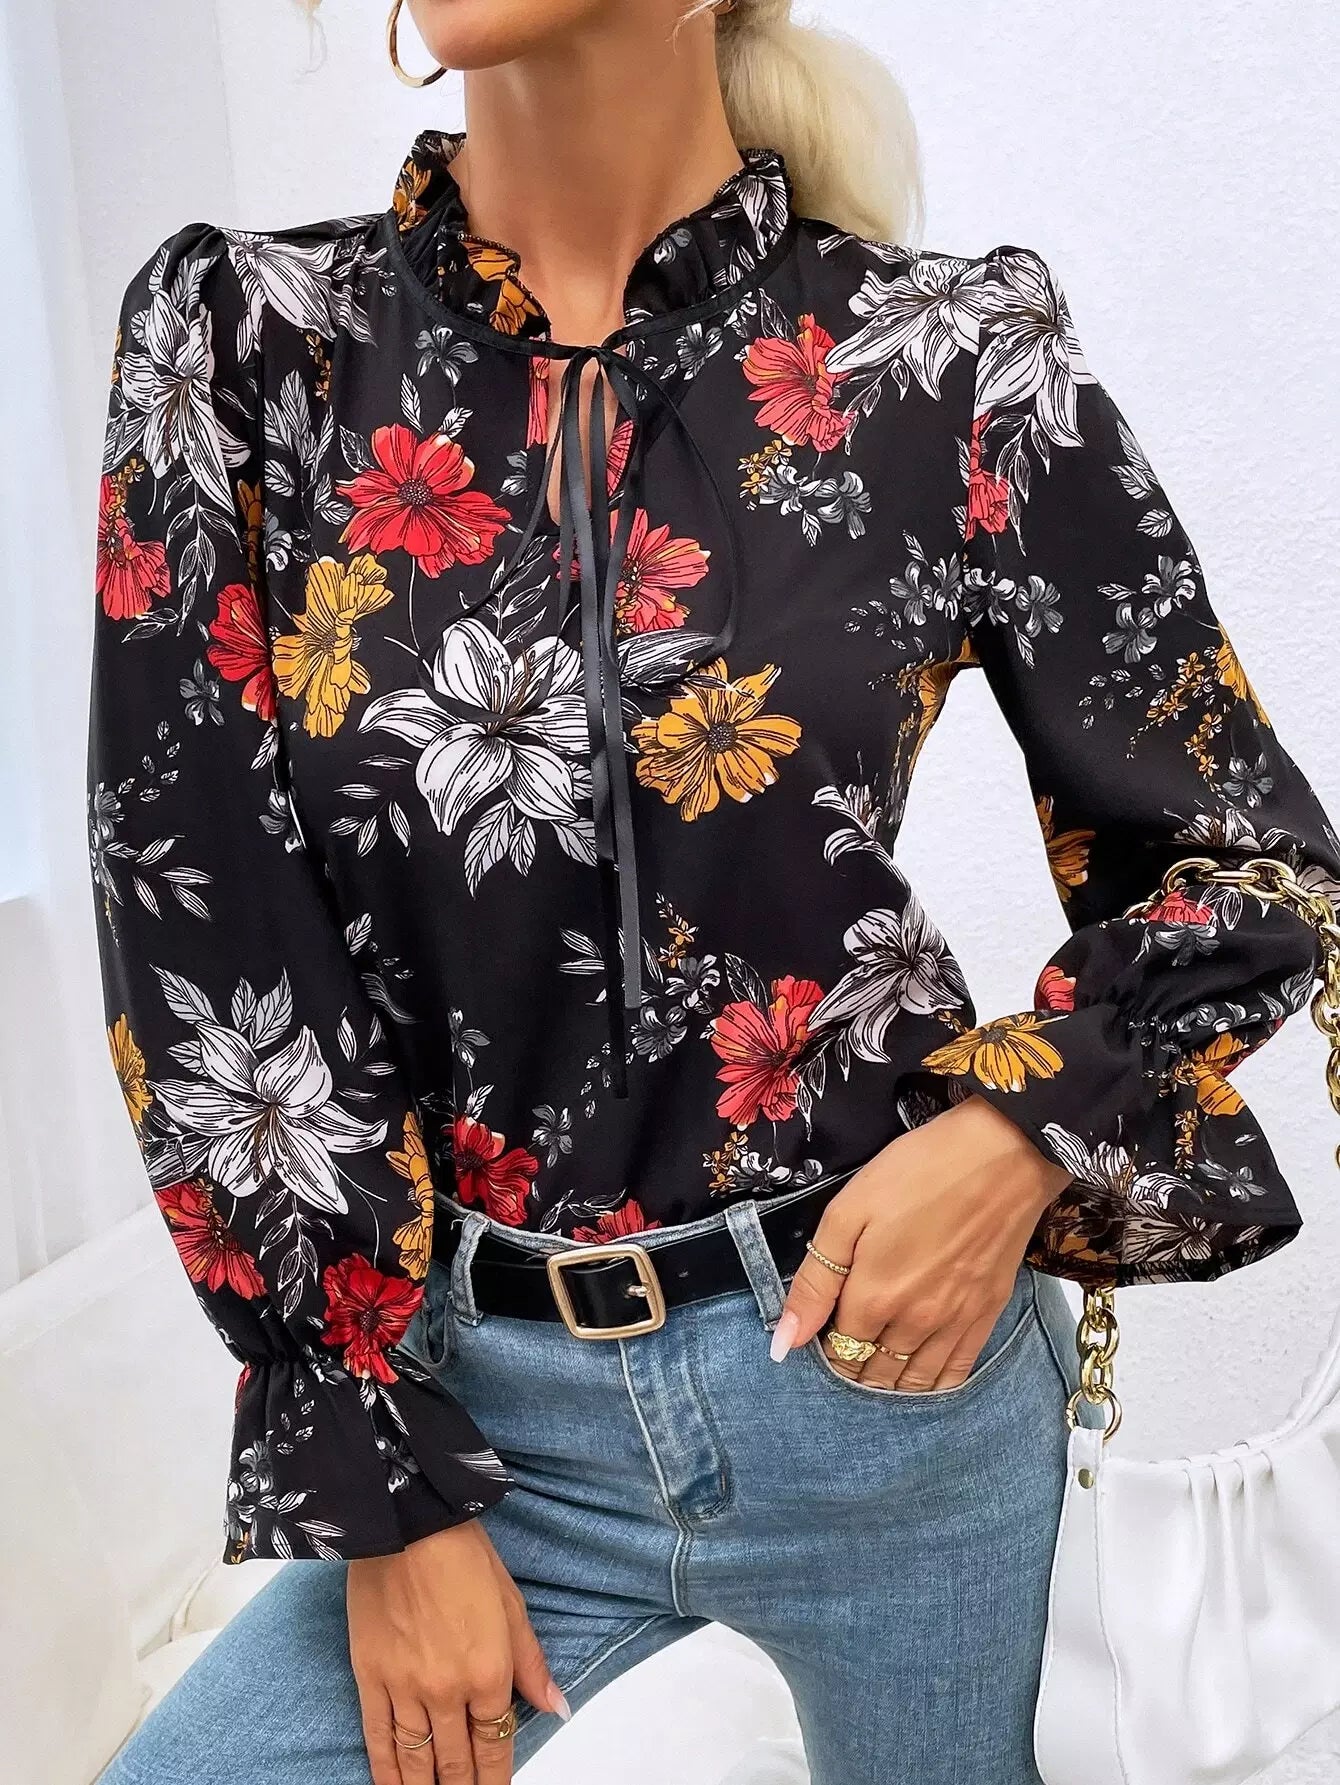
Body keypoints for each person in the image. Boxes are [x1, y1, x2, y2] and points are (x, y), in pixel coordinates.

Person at [88, 2, 1340, 1782]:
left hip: (893, 1381)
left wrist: (1010, 1136)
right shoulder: (244, 345)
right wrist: (380, 1482)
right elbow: (199, 918)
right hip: (476, 1419)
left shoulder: (942, 354)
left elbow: (1248, 858)